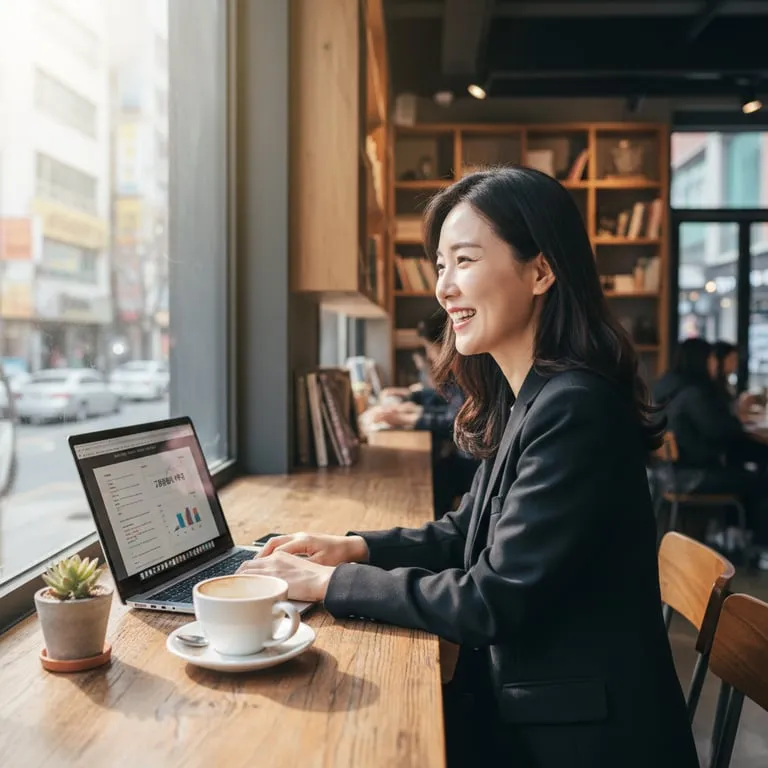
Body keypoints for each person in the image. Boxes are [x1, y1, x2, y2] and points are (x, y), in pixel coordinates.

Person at [239, 167, 698, 768]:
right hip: (539, 706)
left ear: (540, 270)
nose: (443, 288)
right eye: (439, 266)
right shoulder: (530, 395)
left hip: (578, 738)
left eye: (464, 260)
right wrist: (349, 549)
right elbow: (464, 534)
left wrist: (327, 585)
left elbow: (490, 600)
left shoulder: (576, 409)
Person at [653, 337, 768, 561]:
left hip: (671, 473)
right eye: (713, 358)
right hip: (692, 476)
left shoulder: (669, 386)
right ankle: (757, 544)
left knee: (752, 469)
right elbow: (723, 431)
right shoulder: (695, 394)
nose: (716, 363)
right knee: (759, 481)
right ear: (703, 360)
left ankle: (740, 536)